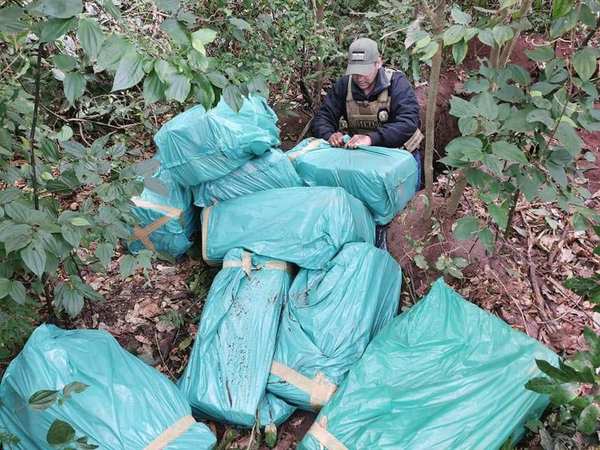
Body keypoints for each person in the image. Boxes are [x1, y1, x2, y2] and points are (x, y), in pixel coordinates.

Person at [312, 37, 423, 250]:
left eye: (364, 70)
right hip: (365, 162)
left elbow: (409, 122)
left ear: (378, 63)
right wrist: (329, 134)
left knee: (400, 218)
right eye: (355, 71)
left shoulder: (396, 83)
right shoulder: (345, 85)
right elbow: (324, 116)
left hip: (401, 160)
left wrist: (372, 138)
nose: (360, 77)